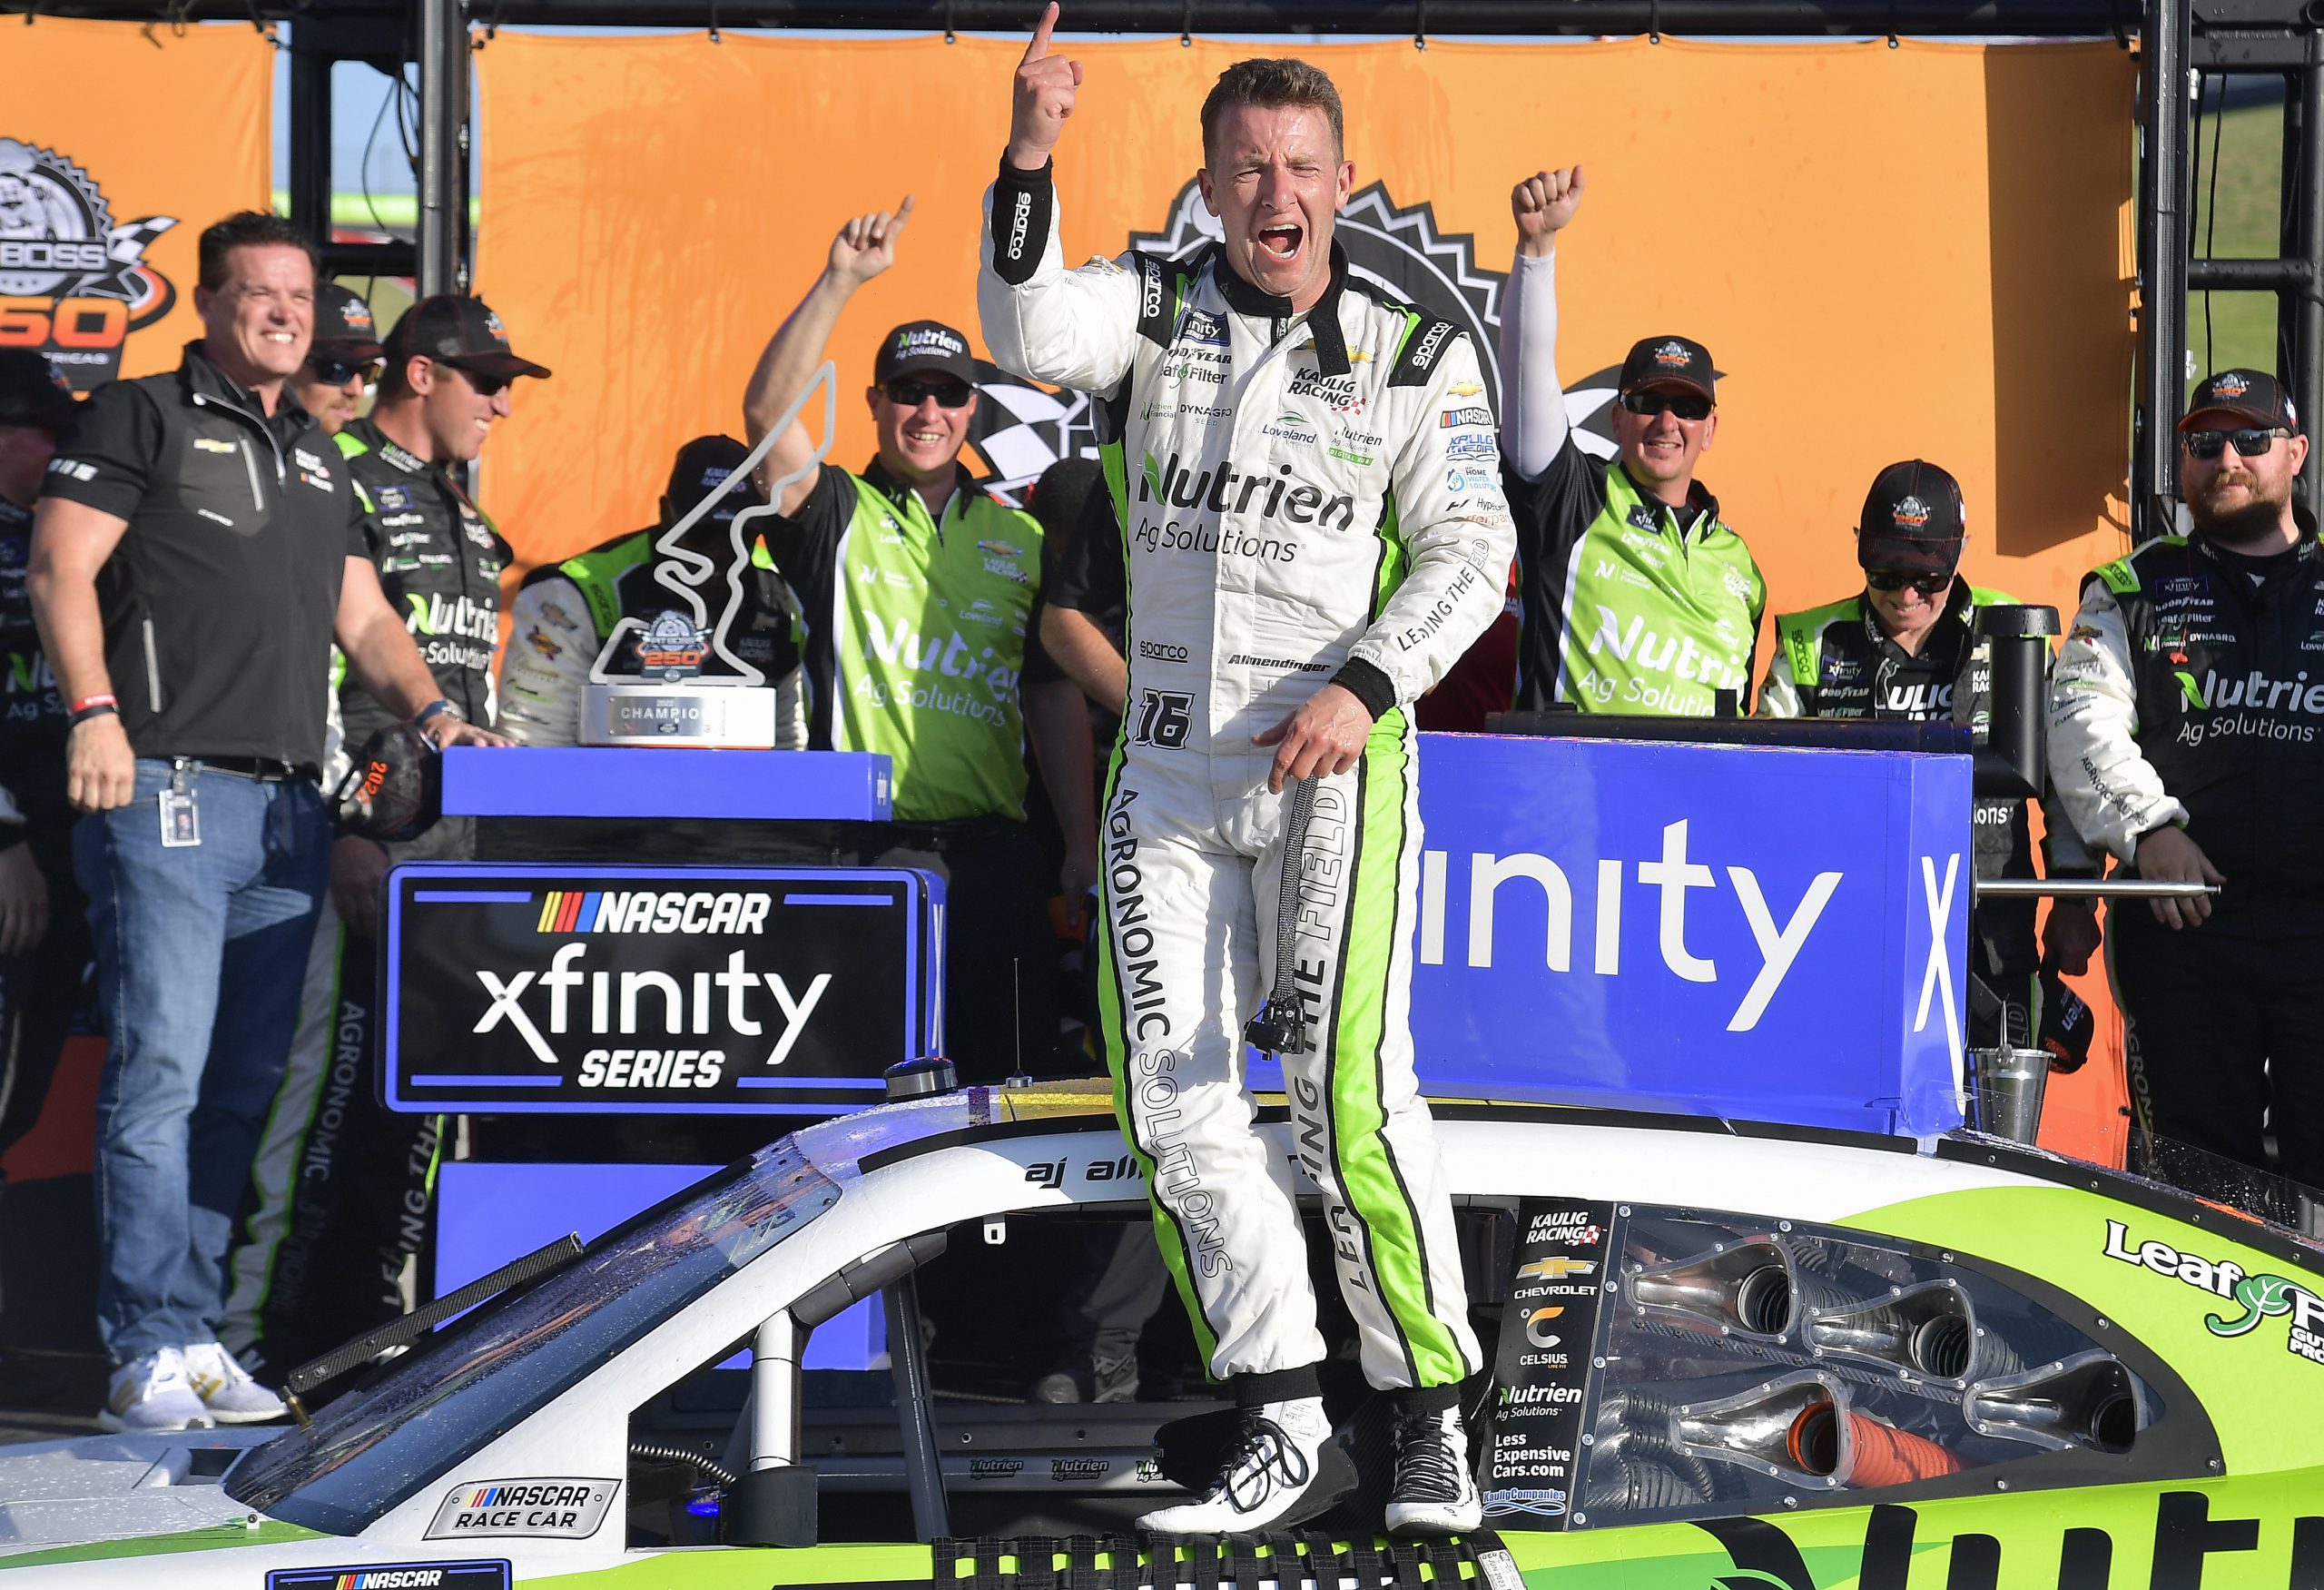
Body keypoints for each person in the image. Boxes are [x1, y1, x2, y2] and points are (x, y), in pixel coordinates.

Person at [980, 13, 1509, 1535]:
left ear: (1345, 180)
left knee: (1346, 1103)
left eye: (1300, 167)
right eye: (1245, 167)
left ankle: (1425, 1422)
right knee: (1179, 1101)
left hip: (1331, 763)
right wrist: (1029, 154)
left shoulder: (1413, 352)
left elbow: (1477, 553)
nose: (1275, 194)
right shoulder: (1147, 308)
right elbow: (1024, 333)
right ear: (1209, 185)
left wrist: (1364, 682)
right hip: (1165, 774)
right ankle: (1282, 1413)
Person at [26, 211, 504, 1434]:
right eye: (262, 294)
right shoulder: (142, 411)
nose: (288, 314)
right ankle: (141, 1340)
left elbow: (368, 619)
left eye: (301, 296)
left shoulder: (317, 450)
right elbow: (61, 563)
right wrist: (92, 711)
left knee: (238, 1092)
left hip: (292, 804)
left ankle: (194, 1335)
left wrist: (440, 711)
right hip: (168, 786)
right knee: (161, 1073)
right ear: (207, 302)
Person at [223, 294, 543, 1381]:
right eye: (486, 378)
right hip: (358, 841)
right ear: (421, 374)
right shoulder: (338, 472)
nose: (503, 400)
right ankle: (253, 1341)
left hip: (451, 851)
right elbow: (319, 657)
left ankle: (365, 1330)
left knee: (418, 1096)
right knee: (319, 1088)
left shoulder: (455, 503)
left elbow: (457, 680)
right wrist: (352, 823)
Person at [743, 197, 1092, 1083]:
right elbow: (767, 422)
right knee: (864, 1097)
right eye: (908, 391)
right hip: (863, 851)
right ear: (875, 402)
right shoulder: (832, 513)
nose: (927, 409)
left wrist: (1080, 844)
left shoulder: (1020, 537)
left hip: (997, 863)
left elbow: (1051, 698)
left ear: (972, 407)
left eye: (946, 391)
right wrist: (839, 281)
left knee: (1004, 1092)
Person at [2050, 368, 2324, 1184]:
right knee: (2202, 1181)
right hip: (2184, 927)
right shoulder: (2132, 587)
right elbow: (2077, 716)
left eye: (2251, 439)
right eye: (2206, 443)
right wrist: (2147, 828)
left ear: (2296, 452)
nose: (2228, 458)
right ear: (2181, 462)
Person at [1759, 460, 2095, 1049]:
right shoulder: (1810, 644)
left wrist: (2073, 899)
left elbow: (2064, 779)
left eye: (1927, 575)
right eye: (1886, 571)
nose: (1906, 593)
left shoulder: (2014, 633)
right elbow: (1763, 789)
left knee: (1988, 1134)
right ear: (1860, 547)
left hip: (1988, 936)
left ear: (1959, 553)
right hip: (1840, 931)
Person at [1498, 167, 1765, 716]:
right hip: (1570, 789)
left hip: (1697, 800)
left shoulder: (1742, 567)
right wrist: (1537, 248)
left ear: (1710, 429)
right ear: (1616, 419)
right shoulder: (1571, 501)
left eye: (1689, 409)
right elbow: (1528, 374)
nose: (1668, 421)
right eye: (1648, 404)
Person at [498, 435, 804, 748]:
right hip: (608, 788)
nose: (719, 555)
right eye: (701, 534)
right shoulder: (581, 591)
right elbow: (535, 742)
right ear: (665, 515)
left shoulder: (785, 592)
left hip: (740, 790)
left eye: (740, 535)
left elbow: (791, 744)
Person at [0, 351, 86, 1181]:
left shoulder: (70, 534)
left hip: (70, 849)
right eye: (47, 431)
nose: (65, 450)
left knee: (19, 1102)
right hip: (11, 858)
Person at [284, 283, 384, 439]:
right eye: (337, 371)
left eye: (367, 373)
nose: (356, 391)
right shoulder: (241, 447)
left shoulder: (345, 458)